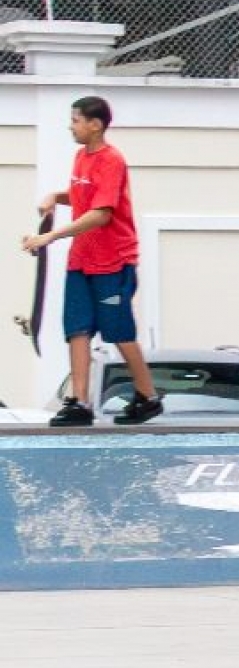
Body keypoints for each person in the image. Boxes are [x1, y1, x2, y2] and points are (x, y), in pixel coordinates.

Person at [21, 95, 159, 426]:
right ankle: (80, 402)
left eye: (76, 120)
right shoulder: (81, 157)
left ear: (95, 125)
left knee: (118, 330)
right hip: (81, 261)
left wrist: (50, 237)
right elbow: (83, 196)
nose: (71, 126)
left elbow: (101, 213)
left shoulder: (112, 161)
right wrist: (55, 197)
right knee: (77, 329)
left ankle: (148, 396)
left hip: (112, 262)